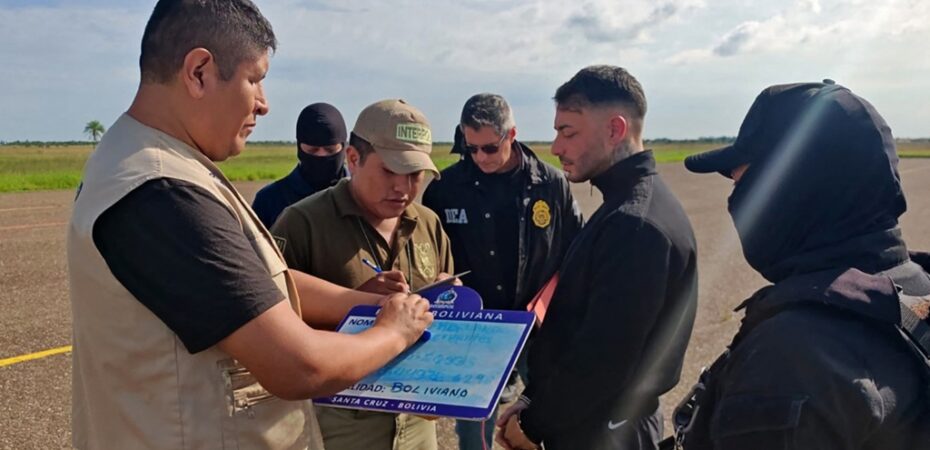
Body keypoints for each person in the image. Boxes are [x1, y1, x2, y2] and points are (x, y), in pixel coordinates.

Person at [67, 2, 432, 449]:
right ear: (199, 72)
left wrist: (364, 303)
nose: (263, 103)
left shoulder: (152, 165)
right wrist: (393, 331)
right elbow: (300, 365)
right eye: (254, 79)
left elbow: (252, 285)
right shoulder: (161, 189)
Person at [671, 80, 930, 449]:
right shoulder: (914, 292)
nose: (736, 201)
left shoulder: (792, 359)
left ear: (789, 189)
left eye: (742, 182)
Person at [497, 65, 698, 450]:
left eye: (568, 132)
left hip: (606, 432)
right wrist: (532, 397)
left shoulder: (635, 225)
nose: (556, 148)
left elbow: (603, 360)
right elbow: (576, 329)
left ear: (615, 130)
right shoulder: (625, 207)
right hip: (595, 423)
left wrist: (535, 424)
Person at [271, 99, 454, 450]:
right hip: (338, 422)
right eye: (389, 171)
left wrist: (450, 300)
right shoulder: (302, 223)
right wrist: (358, 306)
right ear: (353, 159)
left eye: (415, 175)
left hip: (417, 419)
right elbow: (271, 328)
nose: (403, 187)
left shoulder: (428, 224)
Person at [422, 93, 583, 450]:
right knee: (473, 431)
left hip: (535, 326)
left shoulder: (551, 184)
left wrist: (563, 312)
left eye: (490, 148)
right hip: (475, 330)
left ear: (511, 135)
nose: (480, 157)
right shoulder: (444, 189)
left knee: (554, 412)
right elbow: (428, 255)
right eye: (471, 148)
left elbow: (577, 251)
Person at [253, 102, 349, 228]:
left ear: (344, 149)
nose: (321, 156)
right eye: (312, 150)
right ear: (299, 148)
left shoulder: (362, 196)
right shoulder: (270, 200)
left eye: (330, 150)